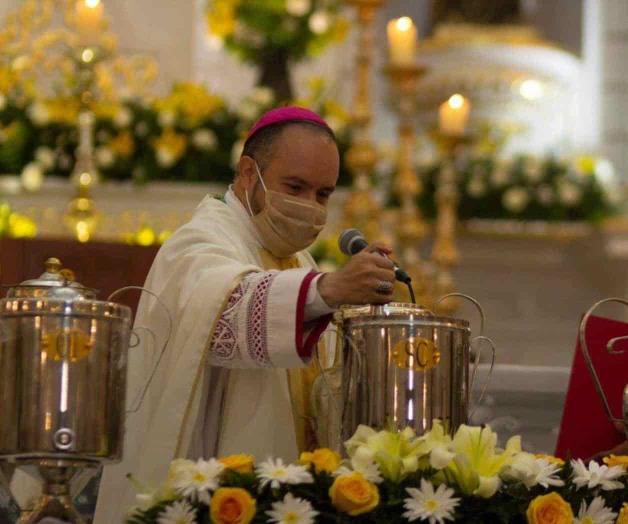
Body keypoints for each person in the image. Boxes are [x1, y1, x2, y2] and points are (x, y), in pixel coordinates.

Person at [94, 107, 396, 522]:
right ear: (249, 174)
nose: (310, 206)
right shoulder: (200, 241)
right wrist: (329, 289)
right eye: (295, 186)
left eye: (323, 194)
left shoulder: (299, 261)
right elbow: (220, 323)